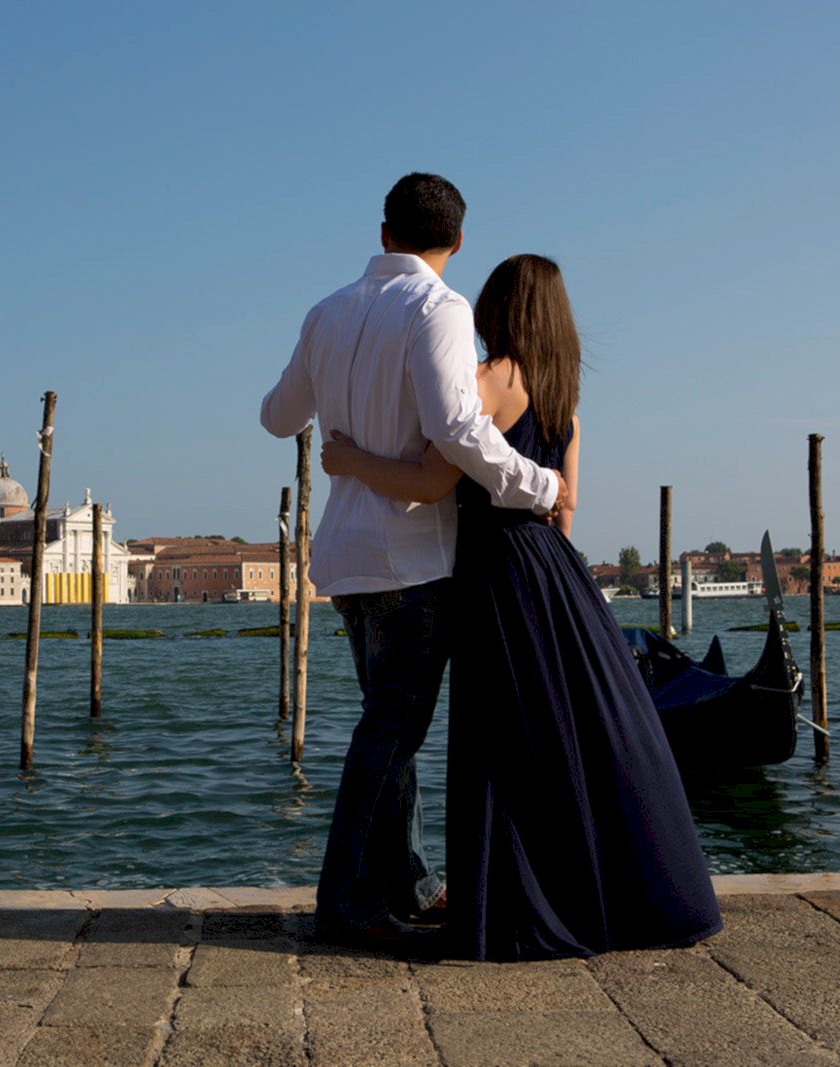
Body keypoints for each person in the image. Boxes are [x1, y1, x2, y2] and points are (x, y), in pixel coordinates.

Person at [320, 254, 722, 960]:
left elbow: (432, 479)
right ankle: (598, 892)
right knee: (566, 740)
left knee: (500, 744)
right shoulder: (564, 399)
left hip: (495, 574)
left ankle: (499, 906)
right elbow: (566, 509)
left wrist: (349, 458)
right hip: (556, 576)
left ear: (500, 308)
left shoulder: (490, 381)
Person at [260, 174, 563, 948]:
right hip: (412, 557)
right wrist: (540, 483)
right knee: (392, 730)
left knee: (389, 727)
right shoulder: (441, 308)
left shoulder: (326, 312)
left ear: (384, 231)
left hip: (346, 562)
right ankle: (347, 901)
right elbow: (458, 432)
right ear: (455, 244)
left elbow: (276, 416)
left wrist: (339, 411)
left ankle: (408, 882)